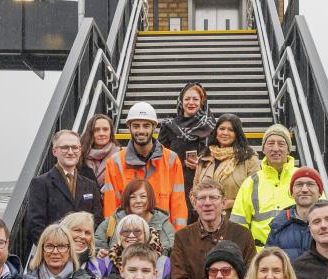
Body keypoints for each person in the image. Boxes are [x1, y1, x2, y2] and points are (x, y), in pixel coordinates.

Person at [102, 102, 188, 233]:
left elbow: (178, 204)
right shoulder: (115, 162)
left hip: (163, 235)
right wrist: (112, 237)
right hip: (128, 235)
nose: (141, 131)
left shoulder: (171, 159)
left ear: (154, 127)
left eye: (146, 126)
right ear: (129, 127)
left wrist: (178, 239)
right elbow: (110, 206)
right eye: (136, 126)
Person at [171, 178, 256, 279]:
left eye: (213, 197)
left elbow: (250, 276)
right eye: (201, 198)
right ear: (195, 204)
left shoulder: (242, 235)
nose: (207, 203)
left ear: (223, 203)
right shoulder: (182, 237)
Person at [26, 129, 104, 255]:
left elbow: (98, 220)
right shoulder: (40, 183)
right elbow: (35, 224)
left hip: (84, 255)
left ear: (80, 150)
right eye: (65, 148)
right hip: (55, 256)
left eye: (75, 147)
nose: (70, 152)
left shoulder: (90, 185)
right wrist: (53, 249)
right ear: (54, 151)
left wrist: (84, 248)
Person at [157, 81, 216, 222]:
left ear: (202, 102)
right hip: (175, 185)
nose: (191, 102)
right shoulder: (169, 126)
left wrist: (201, 165)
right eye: (187, 99)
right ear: (181, 101)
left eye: (195, 99)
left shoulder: (211, 127)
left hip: (203, 186)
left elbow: (218, 157)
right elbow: (159, 157)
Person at [230, 124, 297, 248]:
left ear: (288, 149)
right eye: (270, 143)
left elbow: (320, 213)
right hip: (261, 257)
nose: (275, 148)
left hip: (298, 257)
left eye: (281, 144)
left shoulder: (303, 179)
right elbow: (238, 225)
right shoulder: (251, 182)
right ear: (263, 149)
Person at [194, 113, 261, 211]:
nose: (225, 133)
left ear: (237, 134)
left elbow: (256, 192)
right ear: (216, 132)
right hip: (207, 219)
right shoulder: (205, 156)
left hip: (236, 219)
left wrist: (232, 203)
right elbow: (195, 189)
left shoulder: (248, 158)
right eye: (222, 129)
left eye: (231, 130)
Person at [88, 214, 171, 279]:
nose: (131, 235)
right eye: (126, 232)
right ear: (119, 236)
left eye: (137, 231)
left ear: (146, 235)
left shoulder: (163, 262)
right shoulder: (105, 261)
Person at [95, 178, 176, 253]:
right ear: (127, 200)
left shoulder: (162, 223)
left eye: (143, 196)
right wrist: (102, 254)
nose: (138, 201)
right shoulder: (114, 220)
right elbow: (96, 245)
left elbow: (171, 251)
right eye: (133, 197)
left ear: (150, 198)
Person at [267, 167, 324, 262]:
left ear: (320, 192)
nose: (304, 189)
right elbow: (270, 264)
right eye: (299, 184)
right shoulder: (278, 226)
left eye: (310, 184)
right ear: (292, 193)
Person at [80, 113, 121, 188]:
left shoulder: (120, 155)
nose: (101, 133)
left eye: (105, 129)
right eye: (96, 130)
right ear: (90, 133)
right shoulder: (80, 156)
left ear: (111, 132)